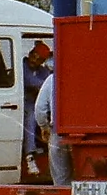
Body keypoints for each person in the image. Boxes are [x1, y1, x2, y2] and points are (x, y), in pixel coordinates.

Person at [33, 72, 71, 187]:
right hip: (88, 134)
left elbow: (40, 108)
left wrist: (44, 127)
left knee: (61, 179)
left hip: (59, 132)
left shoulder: (52, 79)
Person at [22, 40, 52, 176]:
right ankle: (30, 155)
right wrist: (43, 86)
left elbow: (48, 81)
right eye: (34, 56)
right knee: (31, 117)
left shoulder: (43, 70)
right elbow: (31, 81)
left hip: (38, 102)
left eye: (39, 59)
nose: (34, 60)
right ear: (30, 53)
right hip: (23, 102)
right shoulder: (22, 66)